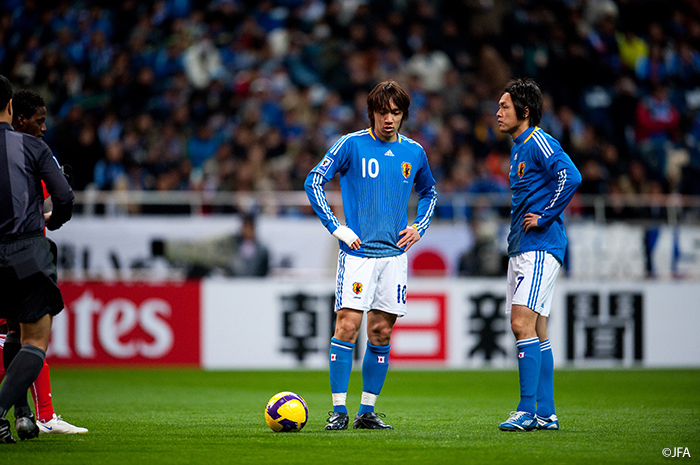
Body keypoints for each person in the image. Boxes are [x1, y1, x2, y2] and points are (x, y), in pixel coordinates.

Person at [305, 80, 438, 430]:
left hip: (393, 257)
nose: (389, 119)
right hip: (358, 254)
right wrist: (337, 227)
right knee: (347, 325)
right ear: (372, 113)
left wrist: (419, 226)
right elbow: (314, 181)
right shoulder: (351, 144)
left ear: (403, 115)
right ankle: (338, 410)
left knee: (380, 331)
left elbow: (430, 191)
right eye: (383, 112)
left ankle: (366, 412)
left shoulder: (414, 152)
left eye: (395, 112)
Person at [495, 78, 581, 432]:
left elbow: (571, 176)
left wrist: (545, 216)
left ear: (525, 111)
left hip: (541, 246)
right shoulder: (519, 148)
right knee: (537, 329)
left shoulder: (538, 141)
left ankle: (526, 410)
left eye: (504, 106)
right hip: (523, 246)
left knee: (520, 324)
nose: (498, 112)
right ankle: (546, 413)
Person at [3, 88, 88, 434]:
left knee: (13, 332)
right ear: (14, 112)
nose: (44, 127)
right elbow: (63, 196)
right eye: (39, 120)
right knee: (33, 338)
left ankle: (26, 415)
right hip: (24, 251)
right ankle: (31, 414)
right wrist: (52, 220)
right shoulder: (33, 150)